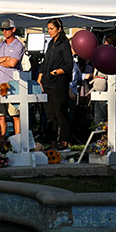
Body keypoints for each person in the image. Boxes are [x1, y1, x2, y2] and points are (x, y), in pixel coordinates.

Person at [0, 18, 24, 147]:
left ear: (13, 29)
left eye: (7, 29)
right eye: (2, 29)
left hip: (13, 85)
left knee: (15, 116)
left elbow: (13, 63)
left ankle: (17, 142)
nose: (4, 31)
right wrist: (4, 59)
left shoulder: (18, 45)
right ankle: (2, 143)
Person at [36, 18, 73, 148]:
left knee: (60, 113)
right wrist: (39, 79)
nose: (49, 31)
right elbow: (45, 62)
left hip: (58, 84)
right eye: (48, 29)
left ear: (59, 29)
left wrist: (56, 72)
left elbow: (69, 65)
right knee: (49, 115)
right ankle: (52, 141)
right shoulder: (51, 43)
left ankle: (64, 140)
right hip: (47, 83)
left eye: (51, 29)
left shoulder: (64, 43)